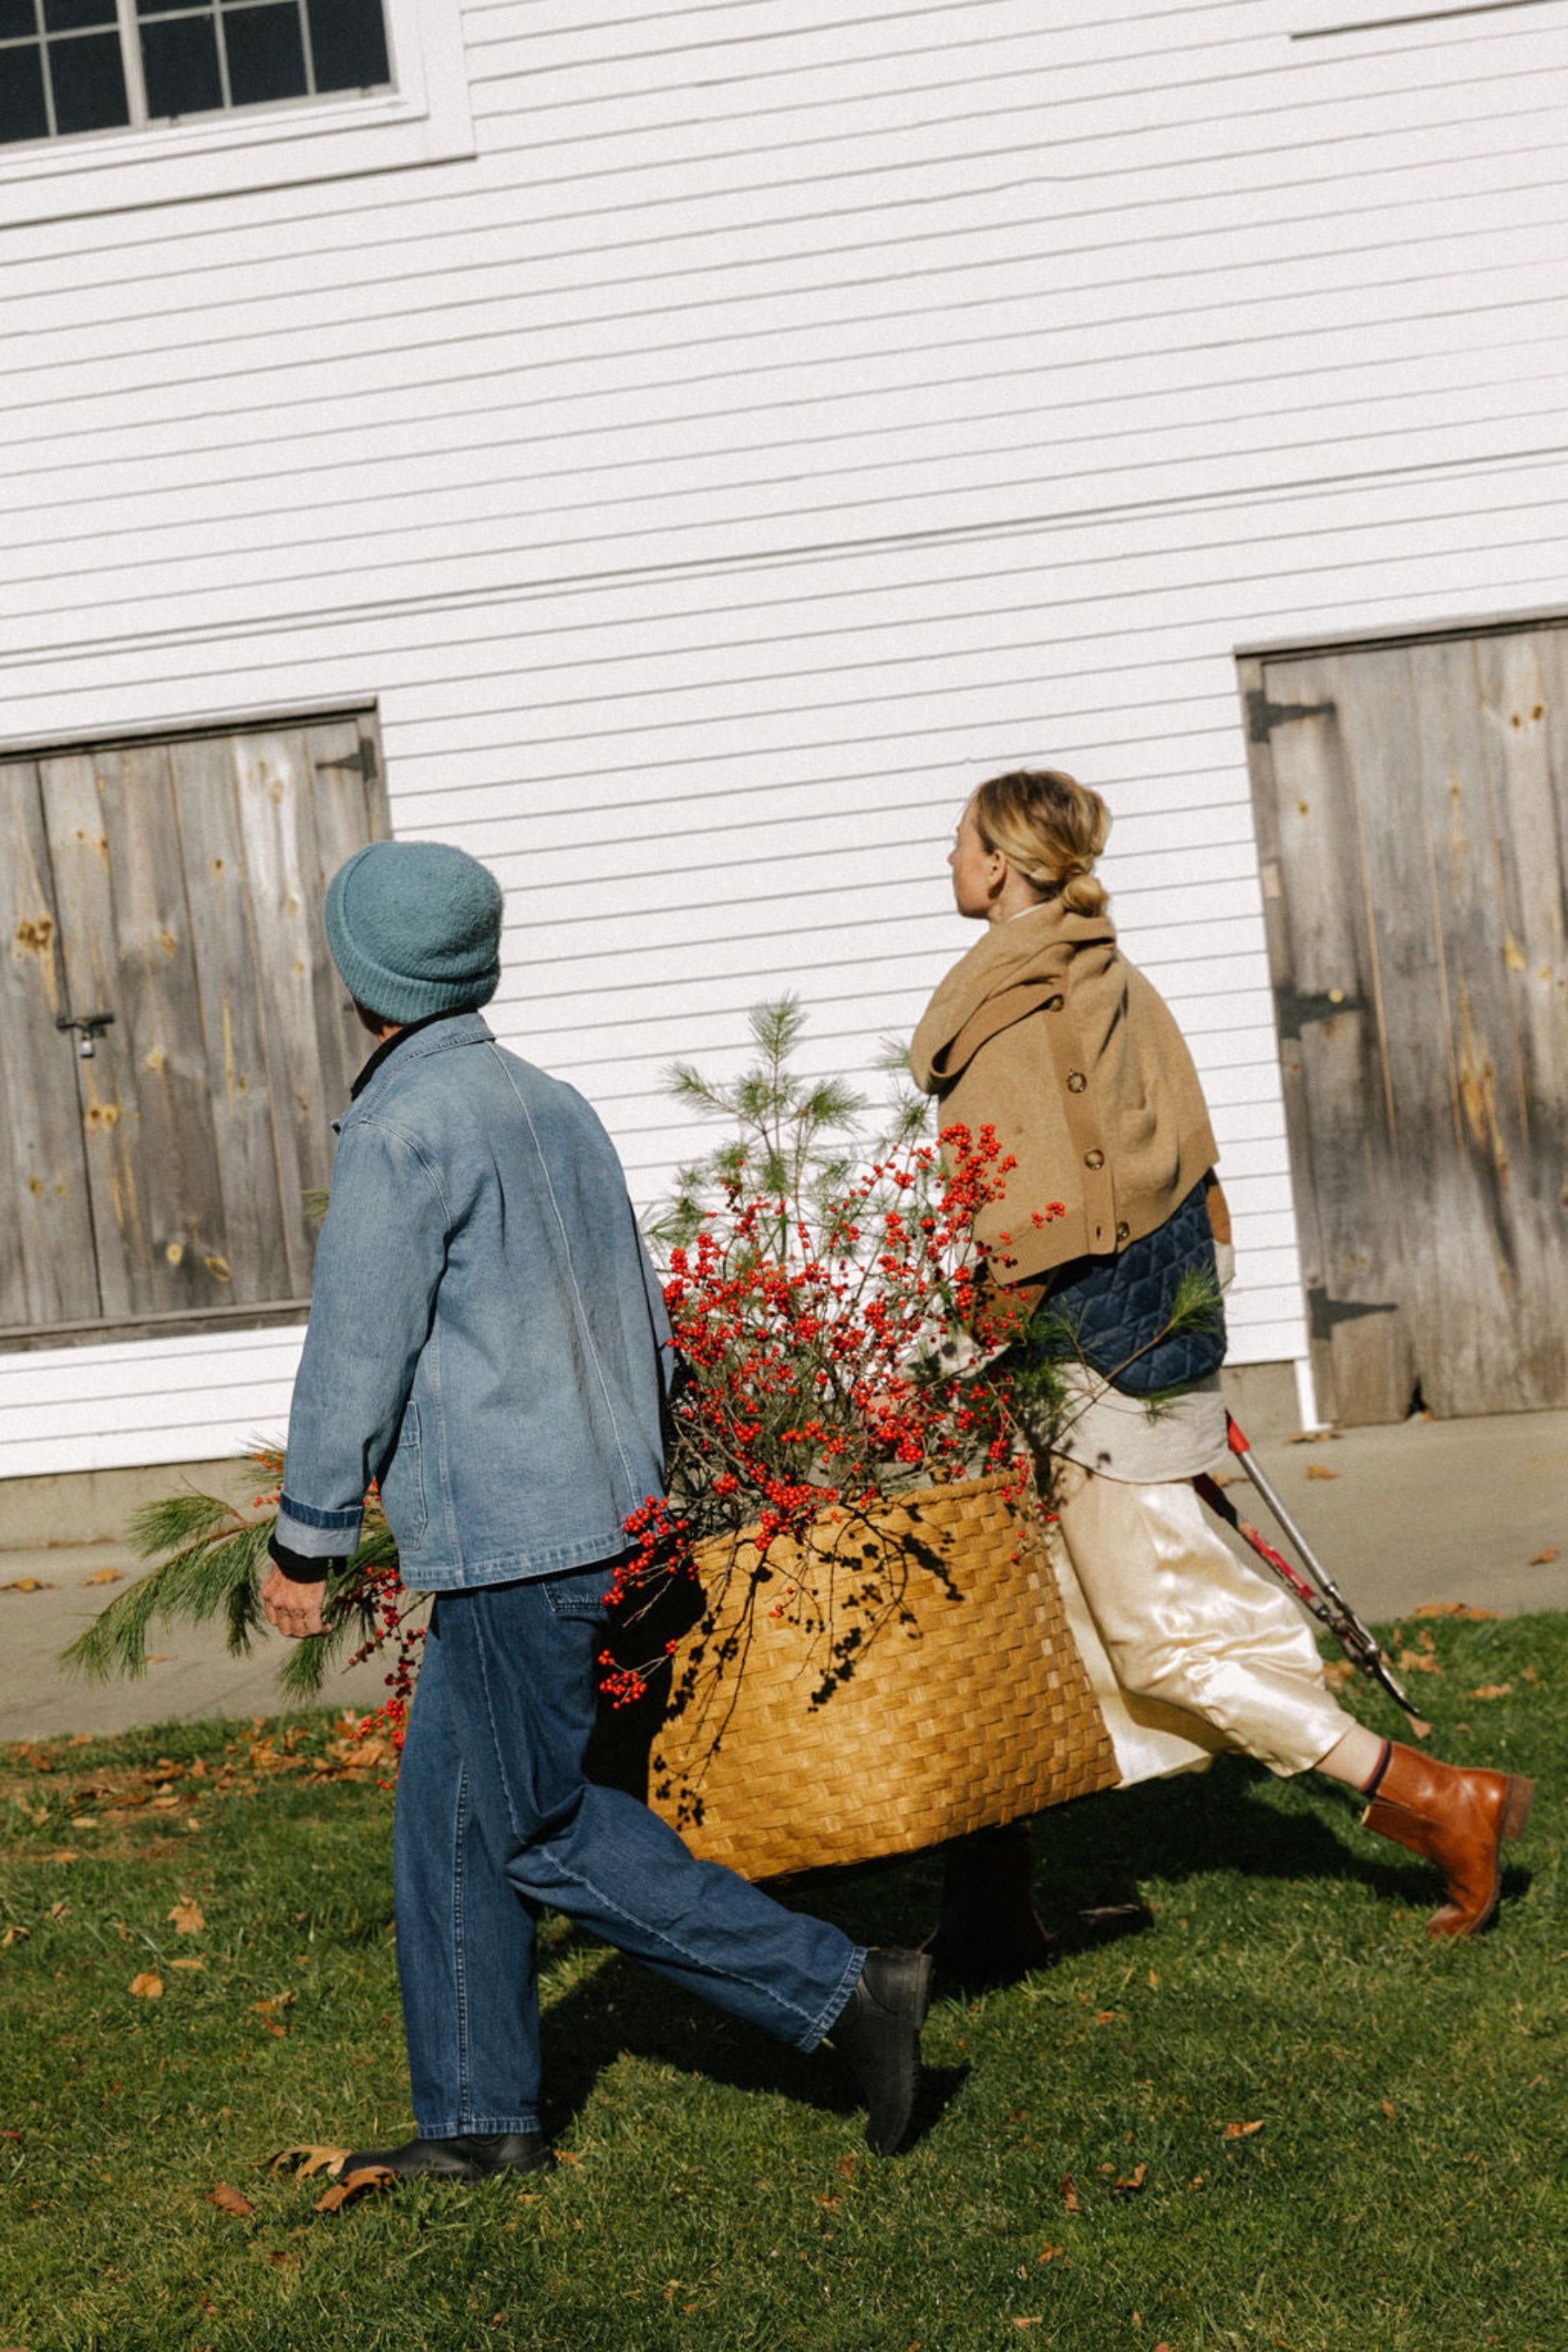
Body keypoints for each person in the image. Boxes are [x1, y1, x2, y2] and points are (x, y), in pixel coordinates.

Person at [260, 839, 931, 2173]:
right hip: (611, 1519)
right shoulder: (551, 1101)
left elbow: (356, 1349)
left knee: (541, 1827)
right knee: (450, 1821)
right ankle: (480, 2123)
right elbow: (650, 1321)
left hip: (521, 1545)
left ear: (362, 972)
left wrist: (307, 1537)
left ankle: (840, 1990)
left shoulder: (402, 1125)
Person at [908, 769, 1533, 1970]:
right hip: (1152, 1323)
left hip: (1092, 1350)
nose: (947, 860)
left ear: (999, 863)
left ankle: (1434, 1798)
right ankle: (989, 1909)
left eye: (958, 843)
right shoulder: (1103, 972)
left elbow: (1040, 1203)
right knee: (1038, 1616)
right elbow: (1188, 1161)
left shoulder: (1015, 1001)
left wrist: (972, 1336)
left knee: (1160, 1642)